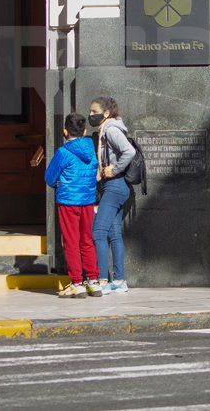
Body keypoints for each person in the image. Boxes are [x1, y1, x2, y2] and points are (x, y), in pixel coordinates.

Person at [45, 113, 101, 298]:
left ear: (64, 131)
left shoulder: (63, 152)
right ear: (84, 131)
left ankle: (77, 282)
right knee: (87, 241)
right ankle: (93, 281)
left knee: (71, 241)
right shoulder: (91, 149)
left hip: (69, 201)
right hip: (87, 201)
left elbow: (49, 177)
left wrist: (58, 183)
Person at [90, 96, 134, 295]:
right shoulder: (107, 129)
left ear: (106, 113)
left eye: (94, 111)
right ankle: (119, 280)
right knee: (114, 234)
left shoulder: (111, 129)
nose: (91, 115)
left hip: (115, 186)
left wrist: (114, 169)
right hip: (117, 187)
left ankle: (102, 280)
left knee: (98, 232)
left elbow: (129, 151)